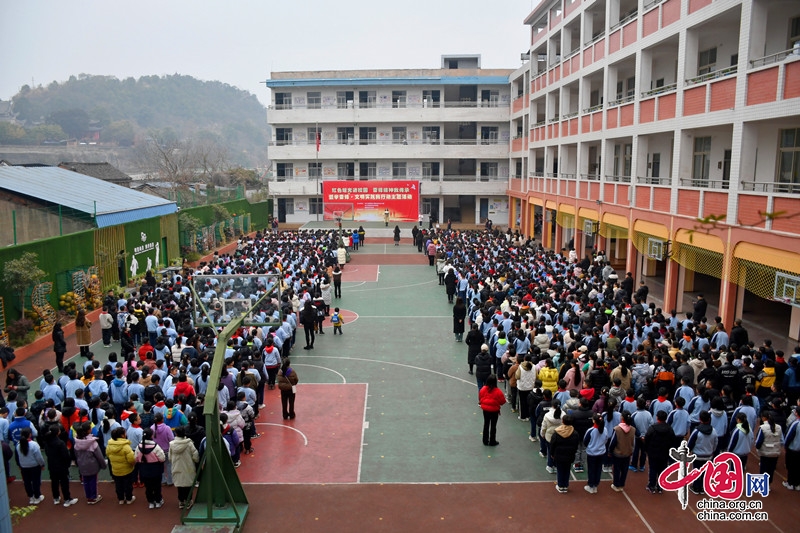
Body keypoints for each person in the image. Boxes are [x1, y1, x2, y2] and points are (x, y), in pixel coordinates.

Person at [43, 426, 78, 506]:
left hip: (52, 465)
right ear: (58, 432)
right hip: (61, 466)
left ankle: (56, 498)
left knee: (54, 482)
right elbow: (65, 455)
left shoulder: (47, 442)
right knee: (64, 482)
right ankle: (67, 499)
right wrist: (67, 464)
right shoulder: (60, 443)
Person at [644, 410, 677, 494]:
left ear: (657, 417)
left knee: (653, 469)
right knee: (662, 469)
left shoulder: (652, 428)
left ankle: (652, 485)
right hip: (664, 452)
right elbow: (673, 440)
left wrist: (647, 449)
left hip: (653, 452)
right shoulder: (669, 429)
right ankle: (660, 486)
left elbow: (647, 439)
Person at [73, 421, 107, 504]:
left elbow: (76, 454)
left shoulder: (77, 442)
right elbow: (99, 456)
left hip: (82, 464)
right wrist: (103, 465)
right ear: (88, 430)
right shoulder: (92, 443)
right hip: (92, 465)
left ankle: (89, 497)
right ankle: (94, 497)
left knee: (85, 481)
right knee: (93, 481)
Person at [135, 427, 167, 509]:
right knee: (157, 486)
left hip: (144, 470)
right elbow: (162, 458)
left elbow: (135, 458)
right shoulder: (156, 446)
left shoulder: (139, 446)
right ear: (151, 435)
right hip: (156, 470)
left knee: (148, 487)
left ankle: (151, 502)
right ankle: (158, 501)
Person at [170, 426, 199, 509]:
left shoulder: (172, 444)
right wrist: (196, 461)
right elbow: (195, 454)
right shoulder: (189, 443)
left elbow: (170, 456)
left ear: (176, 434)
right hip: (188, 466)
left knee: (180, 485)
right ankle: (188, 500)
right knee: (188, 485)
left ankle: (181, 501)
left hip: (177, 466)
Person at [549, 414, 580, 493]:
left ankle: (560, 485)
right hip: (569, 455)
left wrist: (552, 453)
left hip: (558, 455)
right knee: (567, 470)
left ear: (562, 421)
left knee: (560, 470)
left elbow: (552, 444)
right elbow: (576, 445)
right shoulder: (575, 433)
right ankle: (565, 486)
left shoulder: (556, 432)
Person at [106, 426, 136, 504]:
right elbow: (131, 459)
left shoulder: (109, 445)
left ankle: (121, 499)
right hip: (127, 470)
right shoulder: (126, 447)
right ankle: (129, 499)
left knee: (118, 485)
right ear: (122, 435)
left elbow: (108, 455)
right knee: (128, 485)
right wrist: (133, 464)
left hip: (115, 469)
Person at [16, 428, 45, 505]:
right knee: (36, 481)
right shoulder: (34, 444)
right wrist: (42, 464)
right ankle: (37, 496)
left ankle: (31, 497)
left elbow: (18, 456)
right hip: (34, 466)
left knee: (27, 482)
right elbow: (39, 457)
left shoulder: (18, 445)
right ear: (30, 434)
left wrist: (19, 464)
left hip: (24, 466)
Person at [608, 411, 636, 492]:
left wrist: (610, 451)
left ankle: (616, 484)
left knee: (616, 469)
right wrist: (631, 450)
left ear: (622, 418)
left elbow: (613, 442)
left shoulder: (617, 429)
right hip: (627, 453)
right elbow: (633, 442)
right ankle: (621, 484)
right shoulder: (633, 429)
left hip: (618, 453)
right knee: (624, 470)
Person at [583, 413, 610, 494]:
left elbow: (585, 441)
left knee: (591, 469)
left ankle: (591, 485)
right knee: (598, 469)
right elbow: (606, 440)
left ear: (594, 421)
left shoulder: (590, 431)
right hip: (601, 453)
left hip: (592, 454)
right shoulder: (605, 429)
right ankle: (595, 485)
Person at [755, 412, 783, 485]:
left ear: (764, 418)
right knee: (771, 469)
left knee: (764, 469)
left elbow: (758, 441)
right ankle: (768, 484)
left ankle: (762, 484)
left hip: (765, 452)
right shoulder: (779, 427)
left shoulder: (762, 428)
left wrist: (758, 448)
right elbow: (781, 439)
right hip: (775, 452)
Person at [479, 374, 506, 446]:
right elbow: (502, 401)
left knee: (486, 424)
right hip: (494, 411)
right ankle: (492, 440)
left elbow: (480, 397)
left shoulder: (483, 389)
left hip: (485, 410)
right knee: (493, 426)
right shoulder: (498, 391)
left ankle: (485, 440)